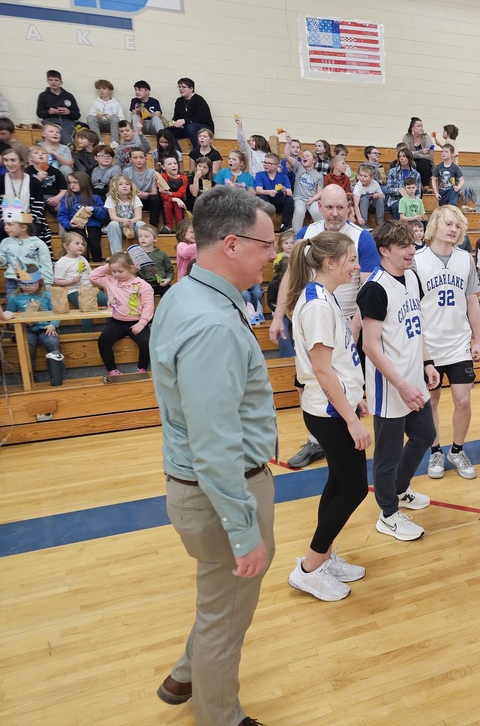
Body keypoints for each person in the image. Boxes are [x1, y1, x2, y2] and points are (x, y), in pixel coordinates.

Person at [151, 186, 277, 726]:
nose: (274, 254)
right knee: (227, 617)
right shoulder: (214, 326)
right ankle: (219, 717)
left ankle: (184, 674)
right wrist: (245, 531)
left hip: (203, 485)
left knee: (217, 600)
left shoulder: (186, 295)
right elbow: (214, 445)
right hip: (223, 491)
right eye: (267, 245)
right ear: (231, 243)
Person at [284, 230, 372, 602]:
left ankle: (324, 556)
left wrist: (356, 398)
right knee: (352, 488)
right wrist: (350, 418)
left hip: (336, 406)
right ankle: (309, 568)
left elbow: (339, 361)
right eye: (351, 259)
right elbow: (322, 370)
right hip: (329, 412)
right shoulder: (319, 305)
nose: (355, 266)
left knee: (338, 482)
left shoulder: (325, 297)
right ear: (329, 262)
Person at [269, 185, 380, 469]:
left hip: (344, 320)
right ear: (320, 207)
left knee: (342, 379)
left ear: (348, 207)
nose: (333, 213)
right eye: (328, 207)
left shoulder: (361, 238)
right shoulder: (308, 234)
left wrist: (354, 326)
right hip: (313, 318)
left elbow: (367, 287)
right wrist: (279, 316)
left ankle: (342, 428)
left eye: (339, 208)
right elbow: (291, 277)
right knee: (308, 380)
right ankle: (316, 438)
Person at [356, 219, 439, 541]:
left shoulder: (411, 278)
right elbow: (370, 345)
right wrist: (401, 385)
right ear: (384, 250)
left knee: (424, 435)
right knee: (388, 454)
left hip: (413, 376)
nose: (411, 250)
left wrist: (427, 361)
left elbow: (415, 327)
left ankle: (400, 489)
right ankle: (388, 513)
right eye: (403, 246)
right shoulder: (374, 289)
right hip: (389, 385)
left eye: (412, 244)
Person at [416, 206, 480, 480]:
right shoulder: (417, 260)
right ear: (435, 224)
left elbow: (472, 301)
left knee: (463, 399)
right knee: (431, 401)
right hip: (429, 344)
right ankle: (435, 451)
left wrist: (477, 340)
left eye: (458, 225)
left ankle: (457, 450)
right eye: (449, 223)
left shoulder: (465, 260)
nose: (453, 229)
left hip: (458, 343)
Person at [89, 252, 154, 376]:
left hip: (137, 322)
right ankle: (112, 370)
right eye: (114, 271)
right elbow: (93, 276)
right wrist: (110, 265)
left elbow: (148, 306)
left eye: (120, 271)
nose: (116, 274)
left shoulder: (143, 285)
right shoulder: (110, 281)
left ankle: (141, 369)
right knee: (103, 340)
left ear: (130, 268)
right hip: (116, 322)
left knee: (146, 343)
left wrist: (142, 322)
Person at [2, 143, 49, 250]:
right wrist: (8, 221)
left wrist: (23, 220)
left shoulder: (33, 182)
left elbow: (39, 206)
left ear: (22, 162)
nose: (9, 164)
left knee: (29, 229)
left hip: (28, 220)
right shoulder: (1, 180)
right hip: (5, 220)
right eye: (6, 160)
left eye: (13, 160)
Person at [57, 171, 107, 262]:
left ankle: (97, 263)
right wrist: (69, 224)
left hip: (92, 226)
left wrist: (93, 209)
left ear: (84, 183)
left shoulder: (94, 197)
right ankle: (82, 265)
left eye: (75, 182)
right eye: (70, 183)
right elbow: (61, 216)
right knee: (80, 241)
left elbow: (103, 215)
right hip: (75, 227)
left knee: (93, 240)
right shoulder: (67, 198)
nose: (72, 185)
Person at [35, 70, 81, 145]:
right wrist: (49, 112)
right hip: (50, 121)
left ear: (61, 82)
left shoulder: (69, 96)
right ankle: (46, 148)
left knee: (64, 132)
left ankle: (70, 149)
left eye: (56, 80)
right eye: (51, 80)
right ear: (48, 81)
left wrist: (68, 112)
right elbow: (39, 113)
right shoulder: (43, 95)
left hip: (67, 122)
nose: (53, 82)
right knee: (53, 132)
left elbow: (77, 115)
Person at [169, 77, 215, 148]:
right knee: (165, 132)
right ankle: (177, 152)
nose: (181, 89)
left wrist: (184, 121)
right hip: (187, 127)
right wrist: (172, 123)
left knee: (191, 127)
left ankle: (197, 151)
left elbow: (202, 118)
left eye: (184, 87)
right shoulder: (179, 101)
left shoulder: (199, 100)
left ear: (191, 89)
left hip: (204, 127)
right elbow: (176, 117)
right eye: (179, 87)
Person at [104, 174, 143, 253]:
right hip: (119, 226)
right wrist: (123, 220)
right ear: (115, 187)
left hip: (132, 225)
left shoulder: (135, 198)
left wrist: (131, 221)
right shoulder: (110, 198)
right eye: (120, 184)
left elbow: (139, 216)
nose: (124, 186)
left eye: (127, 184)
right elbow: (112, 216)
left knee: (141, 224)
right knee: (113, 224)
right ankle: (117, 254)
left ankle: (144, 251)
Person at [254, 152, 294, 230]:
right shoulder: (260, 175)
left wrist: (284, 190)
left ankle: (284, 225)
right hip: (266, 200)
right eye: (265, 162)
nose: (266, 165)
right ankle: (265, 225)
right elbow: (259, 190)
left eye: (269, 163)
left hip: (278, 200)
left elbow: (290, 193)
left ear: (276, 166)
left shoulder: (283, 177)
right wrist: (269, 192)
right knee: (261, 197)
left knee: (289, 200)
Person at [136, 224, 174, 296]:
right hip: (144, 285)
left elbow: (170, 270)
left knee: (171, 293)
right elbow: (132, 274)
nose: (142, 239)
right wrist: (135, 270)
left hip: (161, 284)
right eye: (140, 236)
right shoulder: (136, 255)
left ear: (155, 239)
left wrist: (168, 279)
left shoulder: (161, 254)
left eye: (146, 236)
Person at [291, 150, 324, 230]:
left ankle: (322, 234)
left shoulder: (319, 175)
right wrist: (288, 143)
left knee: (316, 211)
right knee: (299, 211)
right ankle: (296, 235)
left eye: (307, 156)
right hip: (299, 198)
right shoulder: (299, 167)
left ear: (314, 160)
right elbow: (287, 156)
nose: (304, 157)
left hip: (312, 199)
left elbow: (320, 193)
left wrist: (312, 199)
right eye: (303, 156)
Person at [384, 147, 422, 217]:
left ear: (409, 158)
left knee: (415, 209)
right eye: (399, 156)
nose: (401, 158)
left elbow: (418, 192)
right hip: (396, 200)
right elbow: (389, 189)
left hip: (411, 200)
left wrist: (414, 201)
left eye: (404, 156)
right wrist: (400, 191)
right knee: (398, 206)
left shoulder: (416, 174)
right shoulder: (393, 171)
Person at [401, 116, 436, 185]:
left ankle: (425, 186)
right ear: (412, 128)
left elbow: (430, 156)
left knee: (423, 162)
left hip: (425, 163)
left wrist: (414, 154)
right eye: (418, 126)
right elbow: (406, 154)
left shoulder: (426, 137)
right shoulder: (407, 137)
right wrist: (421, 151)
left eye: (422, 126)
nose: (421, 128)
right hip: (410, 161)